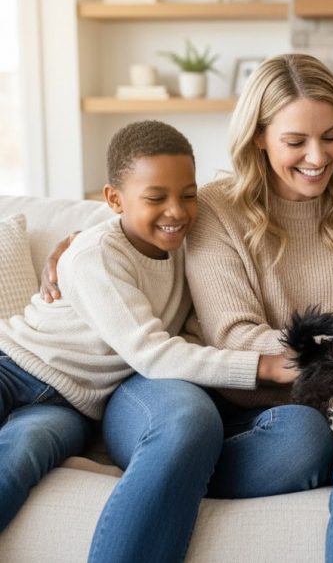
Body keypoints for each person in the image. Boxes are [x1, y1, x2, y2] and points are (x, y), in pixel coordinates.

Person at [0, 120, 294, 562]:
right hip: (16, 365)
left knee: (19, 456)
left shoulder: (193, 249)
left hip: (71, 407)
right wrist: (265, 365)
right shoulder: (94, 254)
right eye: (155, 198)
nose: (176, 211)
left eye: (188, 195)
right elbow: (153, 354)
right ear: (114, 199)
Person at [180, 53, 333, 562]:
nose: (318, 157)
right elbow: (235, 339)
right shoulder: (216, 208)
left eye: (331, 137)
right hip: (250, 412)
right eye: (295, 142)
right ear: (258, 136)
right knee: (304, 436)